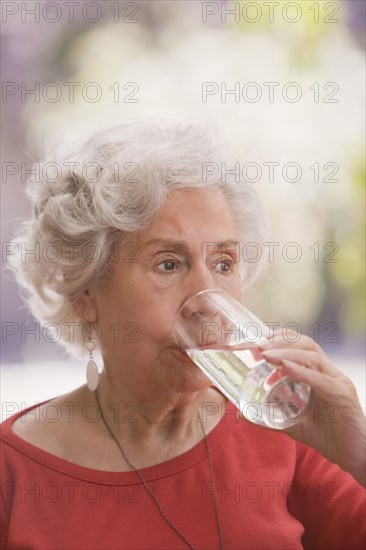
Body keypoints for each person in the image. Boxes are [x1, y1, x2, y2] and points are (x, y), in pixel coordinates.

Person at [1, 119, 365, 550]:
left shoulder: (294, 436)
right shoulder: (13, 475)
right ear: (85, 293)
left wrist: (360, 456)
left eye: (224, 263)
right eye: (168, 264)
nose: (204, 298)